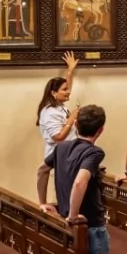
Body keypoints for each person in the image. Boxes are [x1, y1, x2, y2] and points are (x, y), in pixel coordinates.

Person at [39, 105, 108, 254]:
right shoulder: (94, 152)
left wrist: (43, 202)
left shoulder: (61, 147)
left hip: (64, 221)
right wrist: (73, 215)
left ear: (75, 124)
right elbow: (80, 182)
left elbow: (42, 170)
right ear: (101, 130)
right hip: (90, 225)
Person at [36, 52, 80, 203]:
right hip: (58, 154)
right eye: (64, 90)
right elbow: (58, 137)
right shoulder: (50, 112)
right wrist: (71, 120)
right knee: (64, 192)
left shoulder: (59, 105)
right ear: (54, 93)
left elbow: (68, 88)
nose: (68, 92)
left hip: (68, 152)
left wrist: (70, 71)